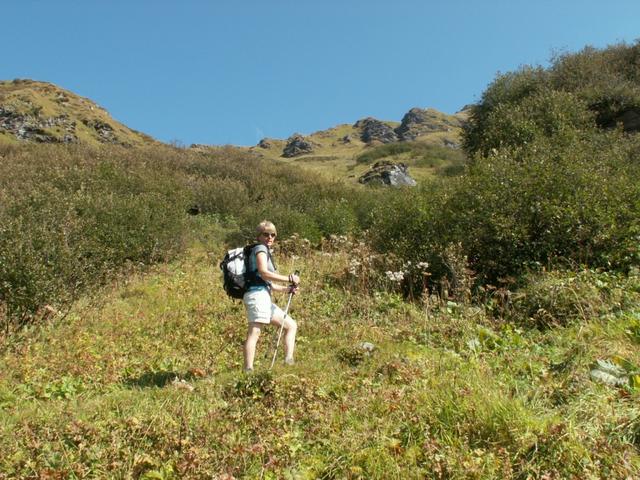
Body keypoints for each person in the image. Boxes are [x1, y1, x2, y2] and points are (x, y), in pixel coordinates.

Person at [243, 220, 300, 372]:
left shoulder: (263, 249)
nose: (270, 237)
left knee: (290, 325)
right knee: (254, 331)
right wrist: (289, 278)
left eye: (273, 235)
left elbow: (268, 283)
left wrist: (286, 289)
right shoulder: (260, 249)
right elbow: (264, 272)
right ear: (259, 236)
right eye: (266, 234)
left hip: (263, 296)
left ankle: (288, 361)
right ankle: (248, 370)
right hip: (257, 296)